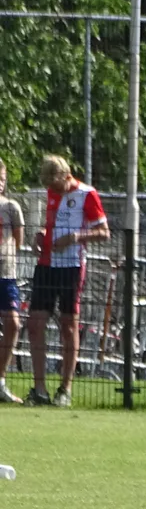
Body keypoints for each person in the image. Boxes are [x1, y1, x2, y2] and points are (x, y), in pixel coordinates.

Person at [21, 155, 109, 408]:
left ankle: (65, 389)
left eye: (55, 185)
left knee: (69, 325)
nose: (52, 190)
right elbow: (51, 227)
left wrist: (75, 237)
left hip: (72, 266)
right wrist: (41, 235)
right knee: (35, 324)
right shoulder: (50, 192)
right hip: (46, 265)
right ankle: (39, 389)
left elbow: (104, 232)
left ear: (65, 176)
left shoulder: (87, 194)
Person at [0, 161, 26, 404]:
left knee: (13, 324)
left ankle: (0, 381)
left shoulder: (11, 207)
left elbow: (17, 242)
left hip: (5, 274)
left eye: (2, 177)